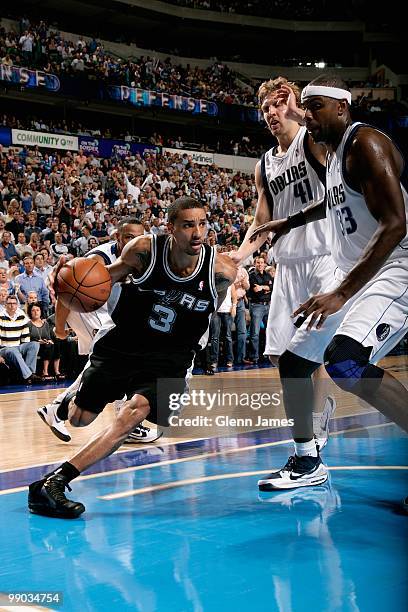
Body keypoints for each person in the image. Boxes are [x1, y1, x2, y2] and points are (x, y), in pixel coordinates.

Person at [28, 196, 237, 518]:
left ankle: (55, 481)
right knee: (80, 418)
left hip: (170, 357)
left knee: (133, 414)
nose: (197, 232)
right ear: (170, 229)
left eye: (203, 223)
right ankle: (67, 401)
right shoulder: (144, 250)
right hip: (124, 345)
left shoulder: (221, 271)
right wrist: (67, 276)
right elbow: (100, 278)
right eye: (188, 225)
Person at [250, 75, 408, 497]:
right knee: (295, 363)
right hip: (358, 273)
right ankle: (306, 459)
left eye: (314, 106)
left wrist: (340, 292)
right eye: (304, 106)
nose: (307, 115)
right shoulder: (339, 158)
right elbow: (331, 201)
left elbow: (395, 224)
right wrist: (290, 220)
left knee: (345, 361)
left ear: (341, 107)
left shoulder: (366, 144)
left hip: (395, 269)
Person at [231, 77, 337, 467]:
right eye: (265, 109)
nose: (271, 114)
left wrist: (302, 113)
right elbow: (262, 219)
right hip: (288, 265)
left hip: (325, 256)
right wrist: (238, 257)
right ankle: (315, 411)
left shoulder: (314, 141)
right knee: (279, 355)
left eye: (278, 105)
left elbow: (334, 141)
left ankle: (313, 423)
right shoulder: (264, 164)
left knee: (309, 354)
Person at [37, 217, 167, 444]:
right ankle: (61, 409)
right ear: (117, 237)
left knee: (120, 362)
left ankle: (57, 409)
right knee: (114, 358)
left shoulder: (144, 254)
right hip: (83, 310)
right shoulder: (99, 258)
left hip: (105, 314)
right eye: (128, 237)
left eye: (139, 237)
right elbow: (67, 292)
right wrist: (59, 328)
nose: (134, 241)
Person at [0, 294, 41, 383]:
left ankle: (30, 373)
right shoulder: (0, 317)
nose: (12, 305)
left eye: (14, 303)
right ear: (5, 305)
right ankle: (28, 376)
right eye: (9, 303)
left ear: (17, 305)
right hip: (4, 349)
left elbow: (25, 337)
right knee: (12, 350)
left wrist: (25, 348)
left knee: (34, 344)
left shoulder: (21, 315)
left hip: (18, 347)